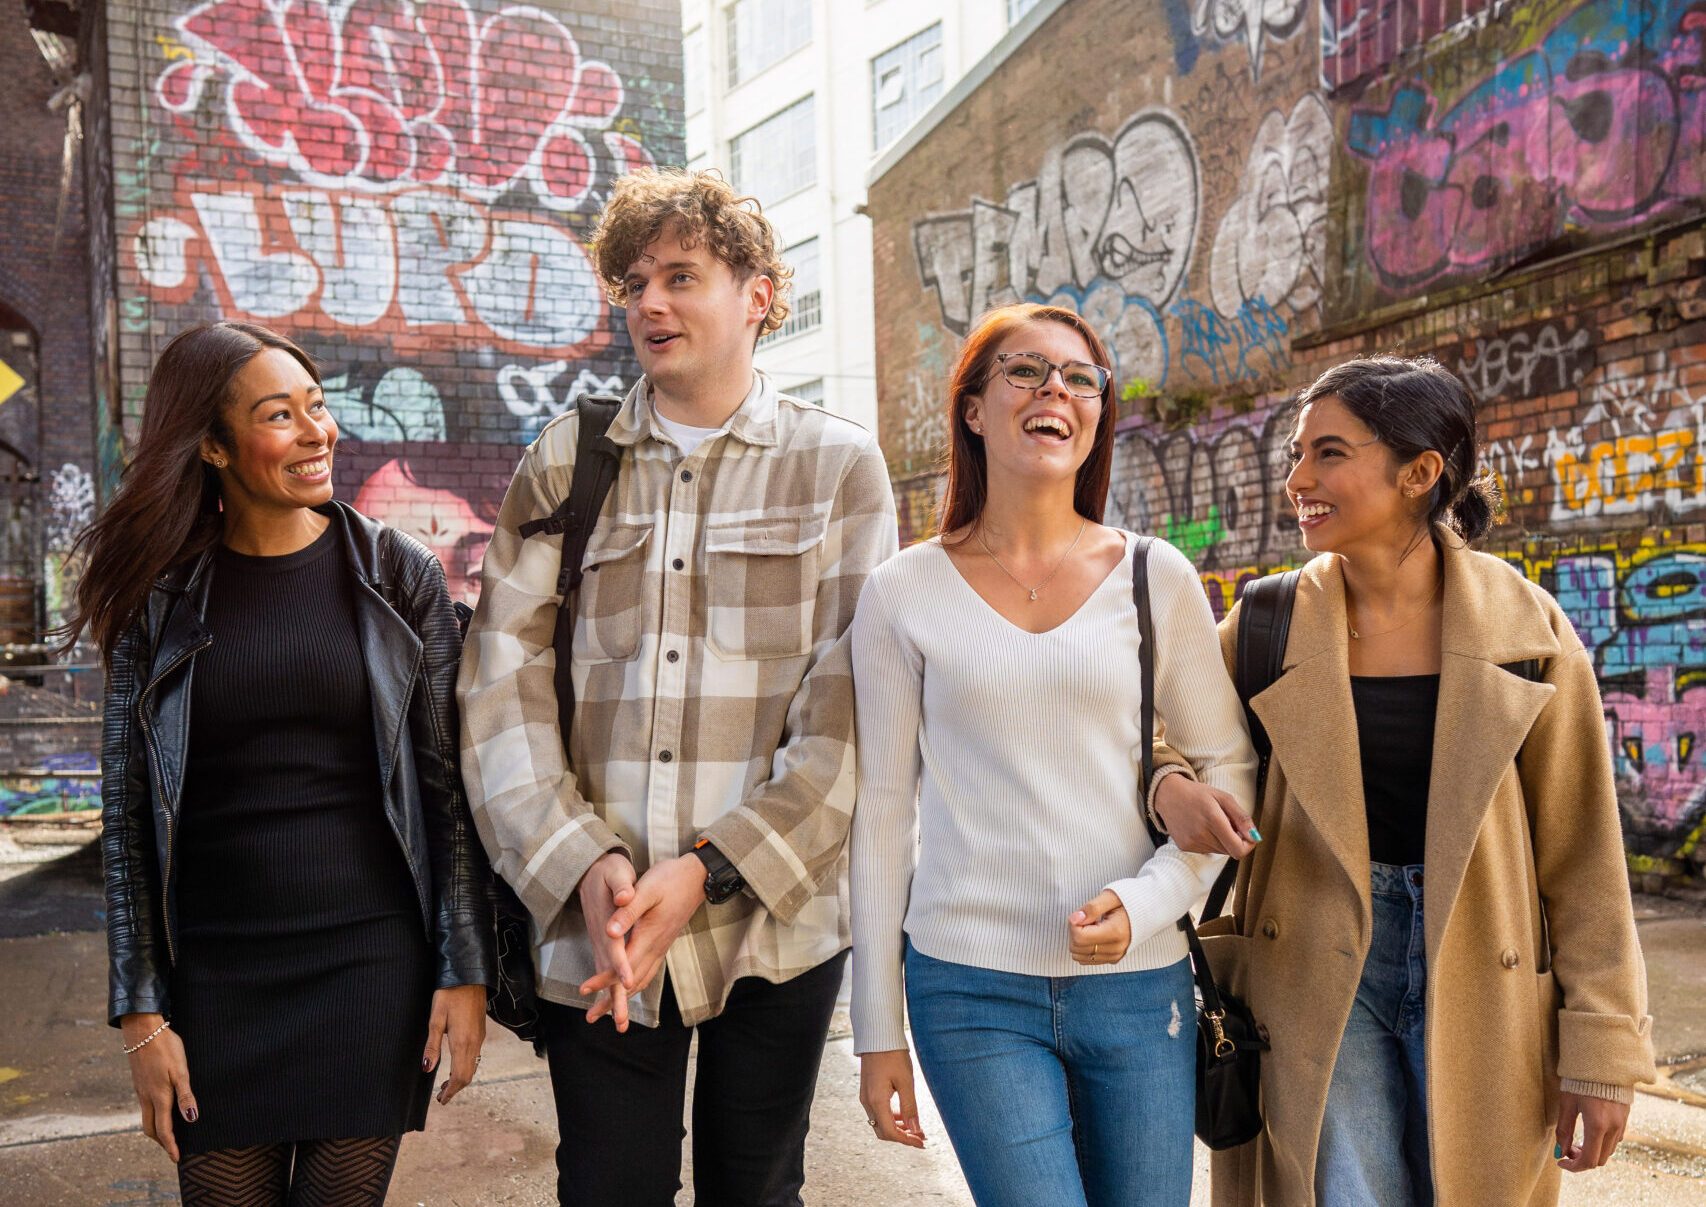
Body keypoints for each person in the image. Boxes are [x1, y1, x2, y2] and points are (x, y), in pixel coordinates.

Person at [457, 168, 899, 1207]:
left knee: (756, 1192)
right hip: (596, 925)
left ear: (757, 295)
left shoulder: (837, 470)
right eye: (634, 282)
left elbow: (849, 721)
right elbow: (498, 683)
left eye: (681, 276)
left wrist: (706, 870)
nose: (649, 303)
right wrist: (582, 859)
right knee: (608, 1190)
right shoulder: (567, 463)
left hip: (772, 926)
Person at [1151, 356, 1657, 1206]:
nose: (1297, 480)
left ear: (1420, 472)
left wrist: (1602, 1049)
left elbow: (1584, 862)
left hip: (1483, 973)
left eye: (1329, 453)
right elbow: (1163, 734)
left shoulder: (1529, 633)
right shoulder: (1266, 624)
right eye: (1296, 455)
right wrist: (1171, 783)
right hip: (1314, 963)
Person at [74, 321, 494, 1204]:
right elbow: (125, 823)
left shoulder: (398, 575)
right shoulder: (157, 603)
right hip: (216, 974)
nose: (318, 432)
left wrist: (463, 964)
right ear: (215, 445)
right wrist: (142, 1016)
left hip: (369, 962)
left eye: (318, 406)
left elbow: (445, 789)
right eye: (281, 415)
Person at [849, 302, 1257, 1207]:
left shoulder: (1156, 576)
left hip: (1139, 986)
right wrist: (876, 1027)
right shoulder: (901, 593)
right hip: (968, 990)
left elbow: (1231, 776)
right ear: (973, 408)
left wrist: (1148, 900)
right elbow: (880, 815)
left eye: (1081, 378)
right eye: (1027, 372)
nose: (1056, 392)